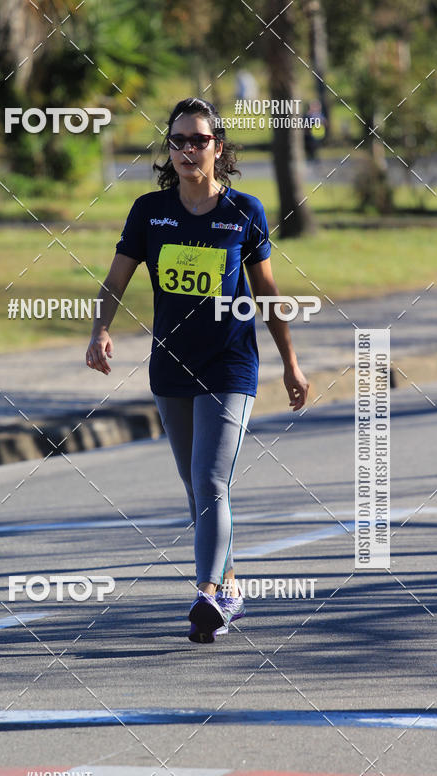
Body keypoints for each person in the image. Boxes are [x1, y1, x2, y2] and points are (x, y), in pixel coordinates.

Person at [85, 97, 308, 643]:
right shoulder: (148, 211)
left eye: (199, 140)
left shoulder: (245, 212)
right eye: (178, 140)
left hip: (231, 364)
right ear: (170, 149)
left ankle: (208, 593)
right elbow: (116, 279)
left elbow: (269, 294)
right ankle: (230, 586)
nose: (187, 150)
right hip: (172, 367)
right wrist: (100, 329)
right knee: (195, 485)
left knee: (211, 479)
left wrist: (291, 363)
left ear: (219, 148)